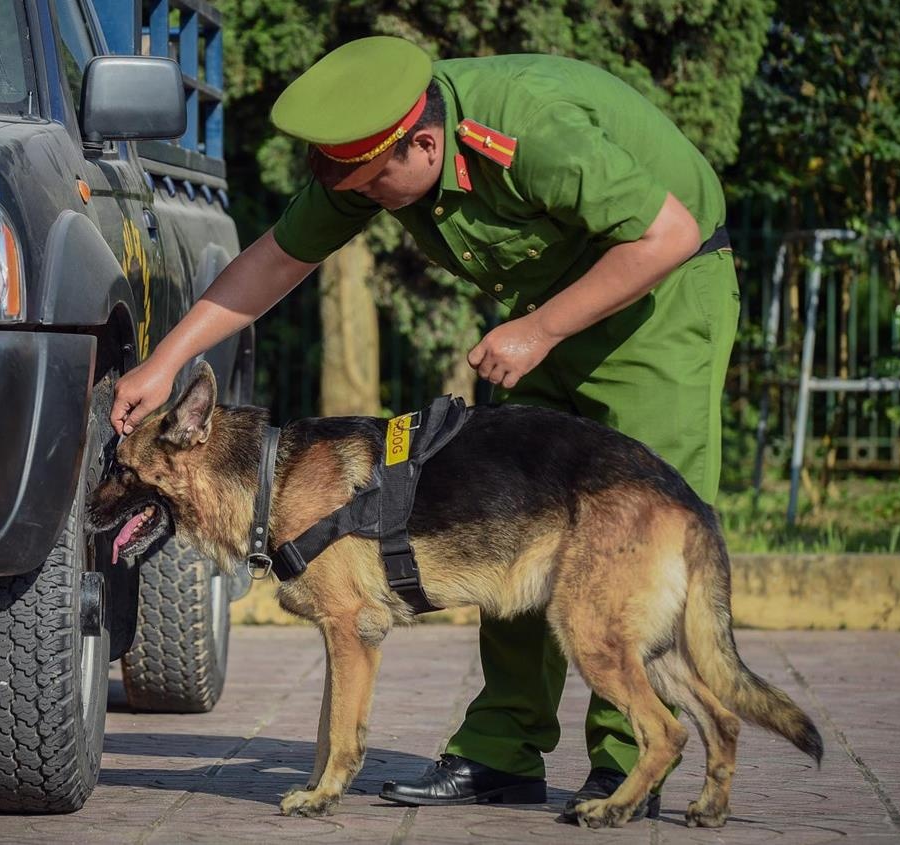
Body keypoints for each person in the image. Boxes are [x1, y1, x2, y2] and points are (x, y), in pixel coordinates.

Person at [111, 36, 739, 820]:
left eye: (379, 185)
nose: (368, 200)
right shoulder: (368, 156)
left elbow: (667, 234)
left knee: (623, 547)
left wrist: (539, 331)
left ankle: (624, 763)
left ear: (426, 143)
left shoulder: (528, 130)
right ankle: (502, 753)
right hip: (544, 308)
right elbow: (274, 261)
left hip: (659, 297)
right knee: (506, 521)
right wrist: (166, 362)